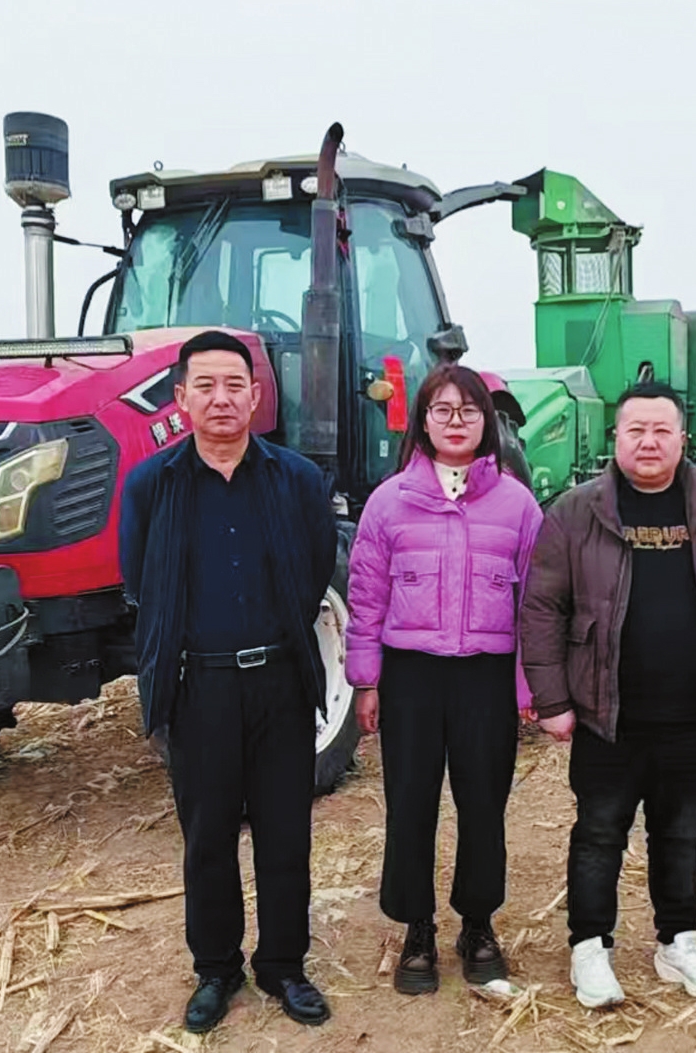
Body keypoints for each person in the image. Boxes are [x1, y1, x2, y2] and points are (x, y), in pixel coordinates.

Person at [119, 330, 337, 1033]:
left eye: (234, 385)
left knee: (284, 833)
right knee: (208, 837)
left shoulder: (296, 480)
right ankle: (216, 969)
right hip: (198, 689)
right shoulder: (151, 484)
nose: (221, 398)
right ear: (181, 398)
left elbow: (313, 572)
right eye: (206, 386)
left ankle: (284, 965)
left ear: (256, 395)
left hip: (280, 683)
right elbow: (139, 582)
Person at [520, 381, 696, 1009]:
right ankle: (589, 947)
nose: (649, 442)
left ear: (683, 439)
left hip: (691, 714)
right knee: (600, 833)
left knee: (680, 834)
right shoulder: (576, 512)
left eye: (661, 430)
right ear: (616, 437)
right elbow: (542, 608)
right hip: (607, 714)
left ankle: (677, 941)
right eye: (636, 430)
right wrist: (553, 700)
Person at [345, 364, 543, 995]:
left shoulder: (517, 503)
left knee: (483, 803)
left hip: (486, 675)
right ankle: (418, 928)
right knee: (411, 803)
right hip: (412, 676)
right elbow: (366, 597)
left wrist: (528, 686)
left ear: (488, 423)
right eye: (443, 410)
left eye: (469, 411)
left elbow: (536, 604)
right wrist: (366, 681)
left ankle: (478, 925)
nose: (456, 422)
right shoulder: (388, 502)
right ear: (423, 422)